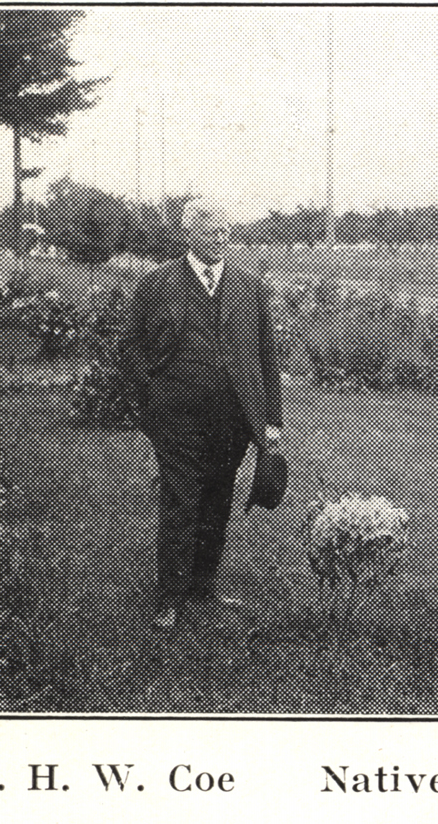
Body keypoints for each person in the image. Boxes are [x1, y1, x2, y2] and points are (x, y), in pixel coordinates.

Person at [123, 201, 285, 631]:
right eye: (213, 232)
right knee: (181, 500)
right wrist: (153, 401)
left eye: (226, 232)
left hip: (233, 419)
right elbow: (131, 349)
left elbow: (267, 355)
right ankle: (169, 597)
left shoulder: (249, 286)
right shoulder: (158, 283)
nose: (221, 239)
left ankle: (204, 584)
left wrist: (271, 421)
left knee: (218, 499)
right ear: (189, 234)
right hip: (177, 417)